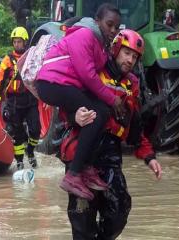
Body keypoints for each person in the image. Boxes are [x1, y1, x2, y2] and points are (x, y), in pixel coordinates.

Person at [61, 29, 162, 240]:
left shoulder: (131, 85)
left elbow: (134, 125)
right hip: (83, 150)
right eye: (127, 53)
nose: (130, 60)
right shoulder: (93, 72)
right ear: (116, 49)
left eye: (134, 57)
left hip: (110, 153)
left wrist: (149, 156)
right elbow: (65, 104)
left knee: (119, 210)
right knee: (82, 218)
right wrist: (73, 117)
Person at [36, 3, 125, 200]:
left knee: (100, 112)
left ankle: (85, 167)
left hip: (65, 84)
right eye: (109, 24)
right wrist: (113, 99)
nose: (113, 30)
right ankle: (74, 174)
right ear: (97, 21)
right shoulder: (84, 35)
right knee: (97, 114)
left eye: (116, 27)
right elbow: (88, 76)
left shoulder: (101, 44)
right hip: (52, 83)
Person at [0, 26, 41, 170]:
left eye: (19, 41)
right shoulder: (7, 60)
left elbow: (40, 77)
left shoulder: (31, 57)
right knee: (17, 134)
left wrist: (46, 99)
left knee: (36, 129)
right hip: (14, 102)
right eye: (15, 42)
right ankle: (19, 162)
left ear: (25, 42)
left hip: (30, 99)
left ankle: (30, 151)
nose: (17, 44)